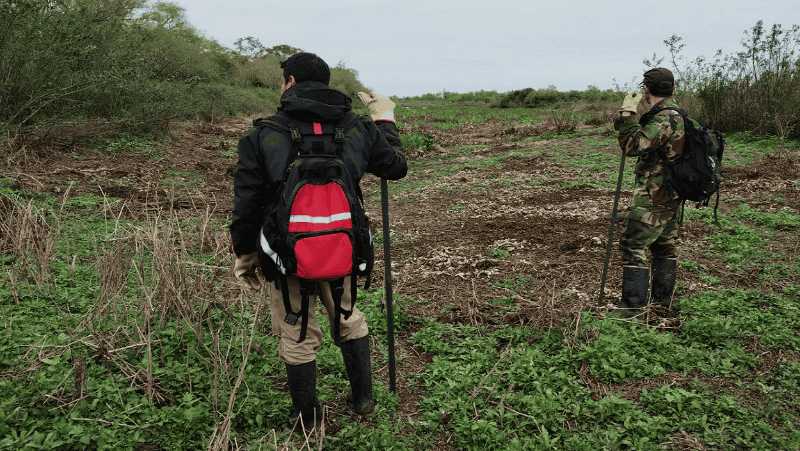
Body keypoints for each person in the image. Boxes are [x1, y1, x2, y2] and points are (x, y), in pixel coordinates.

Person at [229, 52, 407, 431]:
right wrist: (384, 120)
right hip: (344, 245)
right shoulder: (358, 127)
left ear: (290, 82)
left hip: (286, 254)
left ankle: (308, 423)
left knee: (297, 332)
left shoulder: (262, 134)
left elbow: (247, 205)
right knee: (347, 316)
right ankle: (363, 402)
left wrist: (245, 254)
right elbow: (395, 167)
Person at [613, 68, 685, 319]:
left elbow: (632, 146)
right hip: (672, 192)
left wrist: (627, 113)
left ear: (645, 89)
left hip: (654, 194)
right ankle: (660, 306)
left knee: (634, 244)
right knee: (664, 247)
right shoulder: (679, 115)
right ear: (673, 89)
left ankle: (631, 309)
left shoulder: (664, 119)